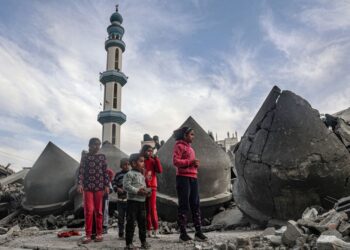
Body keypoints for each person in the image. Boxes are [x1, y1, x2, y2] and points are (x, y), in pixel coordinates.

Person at [172, 126, 208, 242]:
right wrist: (190, 162)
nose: (193, 136)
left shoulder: (191, 149)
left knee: (195, 204)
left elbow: (189, 163)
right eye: (191, 134)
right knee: (184, 205)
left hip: (193, 177)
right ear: (185, 135)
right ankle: (183, 234)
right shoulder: (179, 146)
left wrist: (194, 165)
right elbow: (176, 161)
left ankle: (198, 232)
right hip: (182, 178)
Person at [77, 138, 109, 244]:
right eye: (95, 145)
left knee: (99, 211)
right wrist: (80, 184)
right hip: (87, 188)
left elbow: (105, 172)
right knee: (89, 211)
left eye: (99, 145)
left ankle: (99, 234)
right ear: (89, 145)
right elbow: (81, 171)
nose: (97, 147)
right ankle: (88, 235)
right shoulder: (85, 157)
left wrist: (107, 185)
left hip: (99, 187)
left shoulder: (102, 157)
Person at [123, 153, 151, 249]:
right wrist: (137, 191)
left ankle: (143, 242)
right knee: (131, 223)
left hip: (142, 203)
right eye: (141, 161)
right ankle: (129, 244)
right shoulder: (129, 174)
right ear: (134, 163)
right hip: (132, 202)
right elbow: (126, 186)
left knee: (142, 223)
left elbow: (143, 187)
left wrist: (147, 192)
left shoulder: (141, 175)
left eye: (143, 161)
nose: (143, 163)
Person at [140, 145, 163, 238]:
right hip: (143, 187)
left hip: (152, 187)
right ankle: (148, 230)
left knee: (153, 209)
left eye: (151, 151)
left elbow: (160, 170)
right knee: (146, 210)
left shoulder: (153, 161)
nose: (150, 153)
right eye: (148, 151)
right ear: (144, 151)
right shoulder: (141, 161)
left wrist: (157, 159)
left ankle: (156, 229)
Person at [112, 158, 130, 239]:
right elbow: (113, 183)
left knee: (129, 218)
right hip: (120, 201)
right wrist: (117, 189)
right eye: (124, 164)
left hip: (129, 200)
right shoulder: (118, 174)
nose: (126, 166)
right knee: (121, 218)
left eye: (128, 164)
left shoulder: (131, 174)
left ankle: (129, 233)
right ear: (121, 166)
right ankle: (121, 233)